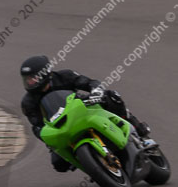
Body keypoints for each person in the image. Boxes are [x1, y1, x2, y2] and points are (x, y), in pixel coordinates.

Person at [20, 55, 151, 172]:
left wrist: (96, 91)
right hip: (61, 126)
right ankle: (94, 165)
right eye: (27, 79)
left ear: (45, 74)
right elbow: (37, 125)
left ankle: (137, 128)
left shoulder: (64, 76)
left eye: (33, 78)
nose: (30, 82)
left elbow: (89, 82)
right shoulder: (28, 103)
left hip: (82, 108)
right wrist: (45, 136)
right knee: (59, 164)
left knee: (112, 97)